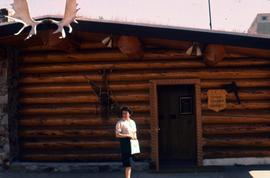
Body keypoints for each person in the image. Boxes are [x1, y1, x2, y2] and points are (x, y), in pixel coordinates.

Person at [115, 106, 137, 178]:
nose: (124, 115)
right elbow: (117, 135)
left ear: (129, 114)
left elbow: (134, 132)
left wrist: (135, 140)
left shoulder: (133, 122)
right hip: (125, 143)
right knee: (127, 163)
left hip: (133, 143)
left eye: (126, 113)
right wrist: (127, 135)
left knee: (131, 163)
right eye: (123, 113)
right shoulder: (120, 123)